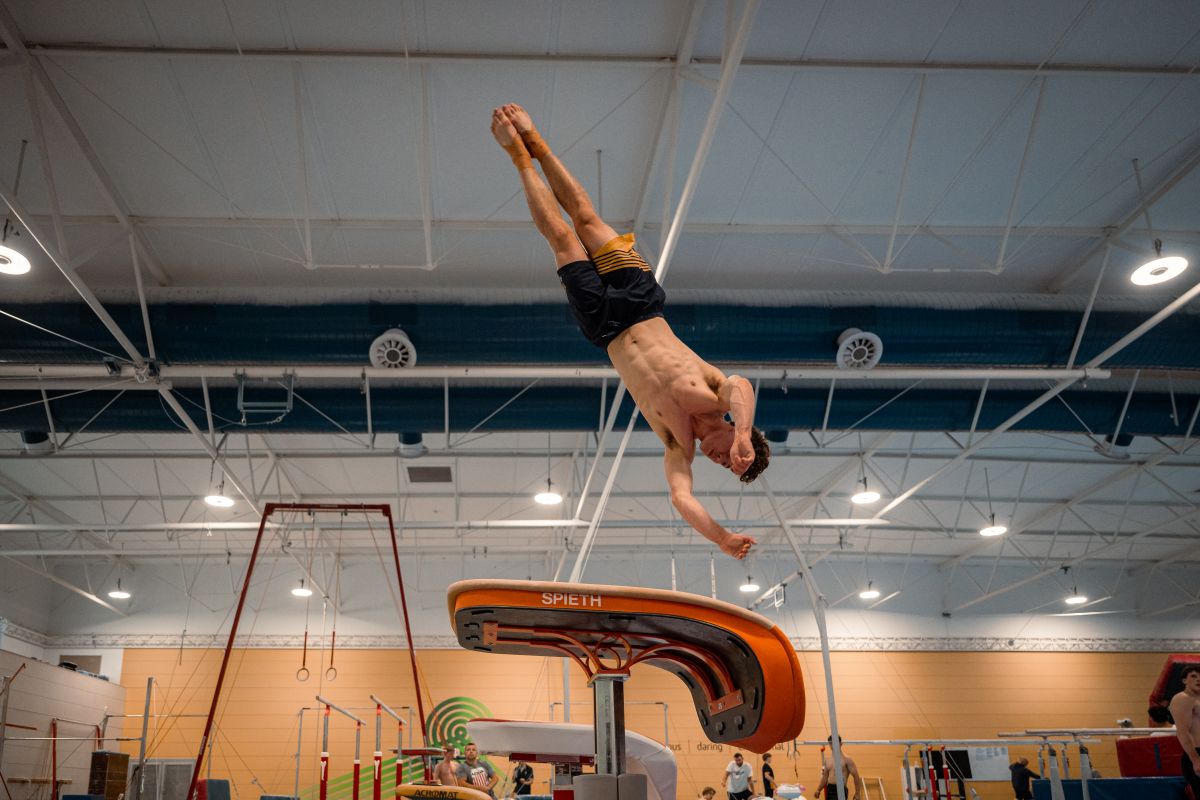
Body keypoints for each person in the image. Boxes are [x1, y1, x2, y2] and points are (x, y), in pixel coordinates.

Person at [490, 103, 769, 560]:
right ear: (740, 434)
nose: (723, 460)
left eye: (727, 465)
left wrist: (721, 537)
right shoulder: (719, 397)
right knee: (584, 219)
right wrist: (743, 435)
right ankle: (536, 143)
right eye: (733, 456)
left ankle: (518, 157)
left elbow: (682, 499)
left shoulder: (677, 443)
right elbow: (741, 384)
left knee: (561, 238)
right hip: (641, 302)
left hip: (603, 329)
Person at [1169, 663, 1200, 799]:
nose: (1198, 679)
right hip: (1197, 753)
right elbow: (1182, 732)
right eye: (1193, 676)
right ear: (1184, 681)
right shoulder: (1182, 699)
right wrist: (1195, 760)